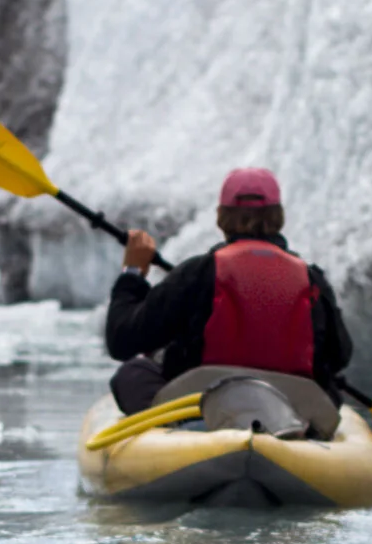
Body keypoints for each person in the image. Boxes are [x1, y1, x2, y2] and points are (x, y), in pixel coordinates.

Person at [104, 166, 352, 414]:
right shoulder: (311, 279)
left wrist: (133, 273)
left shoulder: (197, 274)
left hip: (204, 406)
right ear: (278, 217)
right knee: (328, 388)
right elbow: (340, 355)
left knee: (132, 373)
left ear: (222, 217)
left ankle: (180, 428)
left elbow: (121, 340)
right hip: (291, 407)